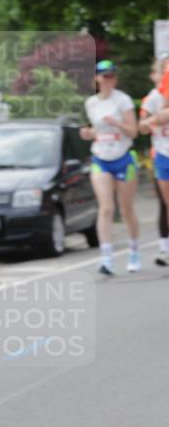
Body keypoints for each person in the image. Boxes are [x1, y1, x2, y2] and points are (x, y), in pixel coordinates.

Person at [80, 59, 139, 275]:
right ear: (97, 78)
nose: (109, 80)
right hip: (101, 158)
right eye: (105, 76)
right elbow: (95, 130)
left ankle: (134, 251)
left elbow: (133, 132)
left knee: (126, 210)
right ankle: (107, 259)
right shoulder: (91, 103)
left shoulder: (123, 100)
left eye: (112, 76)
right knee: (105, 208)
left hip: (123, 157)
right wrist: (88, 134)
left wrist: (117, 123)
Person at [140, 54, 169, 265]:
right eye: (166, 71)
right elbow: (141, 127)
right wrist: (154, 120)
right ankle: (165, 247)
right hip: (162, 153)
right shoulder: (152, 98)